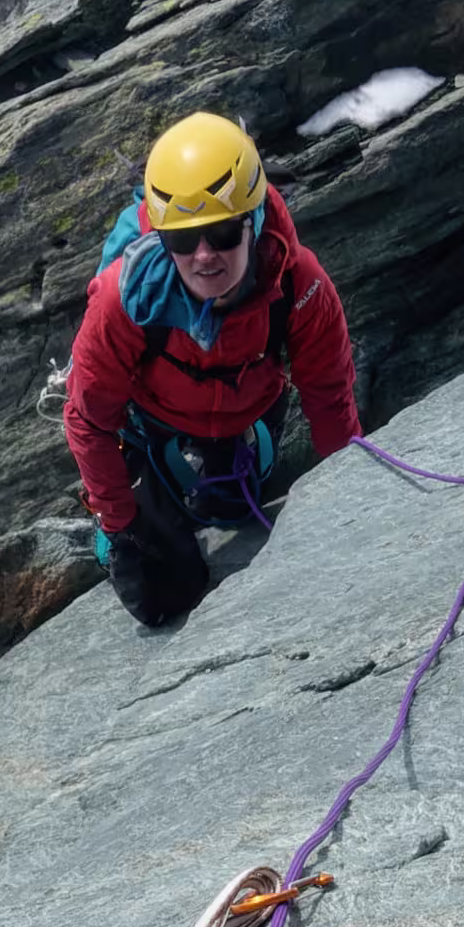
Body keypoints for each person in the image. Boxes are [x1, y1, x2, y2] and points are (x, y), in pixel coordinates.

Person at [62, 108, 362, 631]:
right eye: (182, 240)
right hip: (152, 423)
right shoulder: (124, 299)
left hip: (250, 407)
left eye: (222, 232)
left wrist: (354, 488)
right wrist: (119, 520)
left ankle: (224, 467)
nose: (204, 256)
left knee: (234, 511)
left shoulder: (297, 280)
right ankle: (138, 508)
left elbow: (328, 390)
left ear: (253, 221)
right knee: (162, 596)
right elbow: (88, 420)